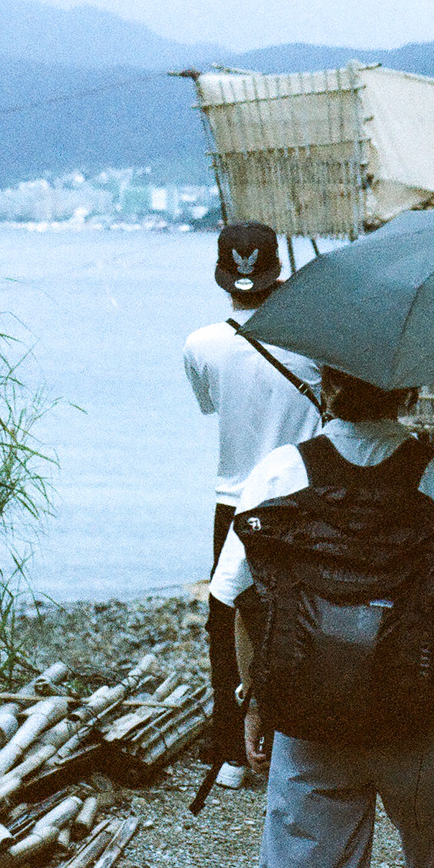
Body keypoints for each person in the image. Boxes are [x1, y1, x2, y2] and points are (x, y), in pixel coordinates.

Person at [213, 366, 434, 868]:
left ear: (327, 388)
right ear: (409, 392)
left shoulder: (281, 470)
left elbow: (243, 602)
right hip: (420, 713)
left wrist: (257, 703)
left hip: (308, 713)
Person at [183, 222, 322, 789]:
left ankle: (233, 755)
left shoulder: (200, 344)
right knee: (309, 616)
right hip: (305, 495)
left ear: (224, 278)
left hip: (235, 500)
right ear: (278, 275)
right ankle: (304, 741)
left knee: (228, 621)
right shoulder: (313, 343)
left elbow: (212, 406)